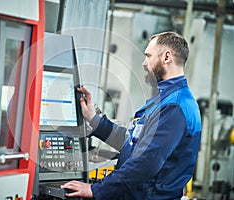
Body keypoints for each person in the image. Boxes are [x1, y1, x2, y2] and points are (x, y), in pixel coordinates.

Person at [61, 31, 202, 199]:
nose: (144, 63)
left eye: (148, 56)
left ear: (166, 57)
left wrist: (96, 190)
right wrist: (94, 119)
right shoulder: (165, 100)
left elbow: (147, 161)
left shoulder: (175, 106)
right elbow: (132, 143)